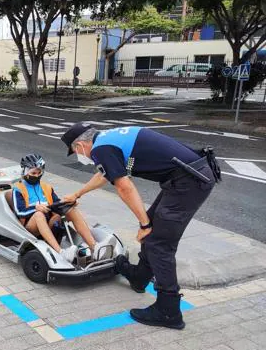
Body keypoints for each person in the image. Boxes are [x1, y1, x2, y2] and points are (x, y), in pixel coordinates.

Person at [60, 122, 220, 330]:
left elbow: (124, 187)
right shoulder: (107, 139)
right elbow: (104, 174)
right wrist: (77, 194)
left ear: (81, 145)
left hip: (189, 181)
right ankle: (139, 277)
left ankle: (168, 310)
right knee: (153, 232)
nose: (81, 156)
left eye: (76, 152)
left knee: (159, 243)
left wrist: (144, 223)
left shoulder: (100, 149)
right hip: (186, 176)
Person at [13, 154, 115, 262]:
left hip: (48, 222)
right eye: (33, 173)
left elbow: (56, 204)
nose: (37, 175)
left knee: (71, 210)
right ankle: (61, 253)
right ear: (25, 171)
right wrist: (36, 208)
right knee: (39, 215)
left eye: (39, 173)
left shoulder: (46, 187)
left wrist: (68, 204)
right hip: (30, 226)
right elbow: (20, 212)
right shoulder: (18, 189)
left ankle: (95, 247)